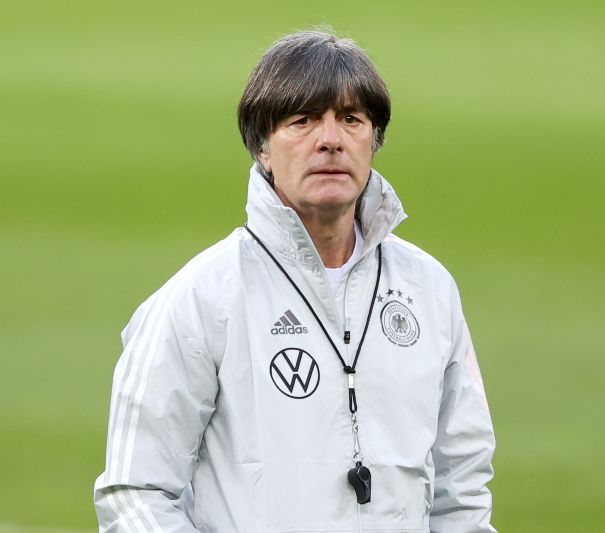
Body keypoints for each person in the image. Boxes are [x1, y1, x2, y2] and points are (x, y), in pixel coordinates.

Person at [94, 29, 496, 532]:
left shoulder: (430, 290)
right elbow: (136, 493)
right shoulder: (201, 297)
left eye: (351, 119)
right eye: (302, 120)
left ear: (375, 139)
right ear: (262, 147)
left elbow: (461, 490)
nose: (330, 139)